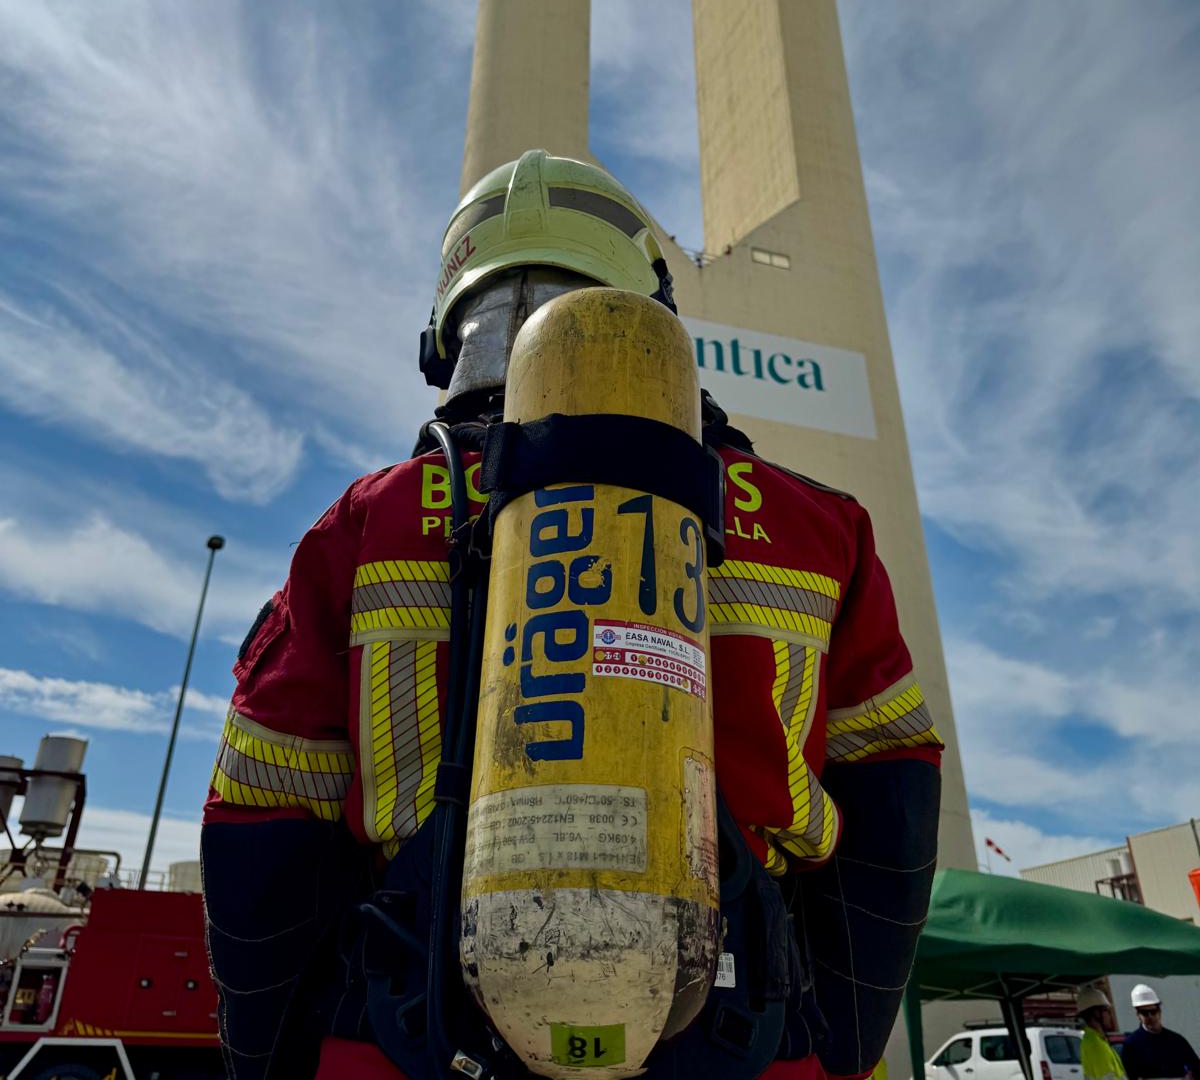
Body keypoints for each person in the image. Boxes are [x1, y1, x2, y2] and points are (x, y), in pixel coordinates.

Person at [201, 149, 943, 1080]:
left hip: (414, 1029)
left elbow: (263, 822)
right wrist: (844, 1041)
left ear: (447, 335)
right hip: (742, 1031)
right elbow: (893, 799)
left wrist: (264, 1059)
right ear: (652, 312)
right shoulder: (816, 526)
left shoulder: (368, 521)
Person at [1121, 986, 1200, 1080]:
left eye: (1153, 1012)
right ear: (1138, 1015)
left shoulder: (1176, 1040)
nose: (1150, 1016)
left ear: (1159, 1012)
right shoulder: (1131, 1044)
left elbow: (1197, 1067)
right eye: (1145, 1013)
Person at [1077, 987, 1125, 1080]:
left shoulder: (1095, 1040)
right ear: (1096, 1013)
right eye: (1106, 1010)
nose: (1110, 1015)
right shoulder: (1096, 1045)